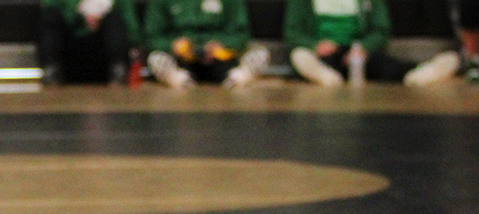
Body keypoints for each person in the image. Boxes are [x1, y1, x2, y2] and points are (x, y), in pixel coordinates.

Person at [284, 0, 459, 86]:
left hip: (358, 52)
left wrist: (365, 48)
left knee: (385, 66)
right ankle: (323, 76)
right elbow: (292, 31)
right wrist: (315, 45)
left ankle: (421, 74)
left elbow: (381, 29)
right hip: (324, 52)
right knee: (301, 57)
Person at [142, 0, 269, 87]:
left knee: (261, 54)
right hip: (182, 62)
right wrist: (172, 45)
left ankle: (236, 79)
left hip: (221, 60)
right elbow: (152, 36)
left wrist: (222, 45)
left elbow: (241, 34)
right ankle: (178, 81)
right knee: (156, 58)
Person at [37, 0, 144, 86]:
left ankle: (118, 74)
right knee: (50, 17)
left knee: (114, 20)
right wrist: (80, 11)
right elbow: (48, 5)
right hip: (70, 53)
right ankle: (51, 73)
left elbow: (131, 26)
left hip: (104, 56)